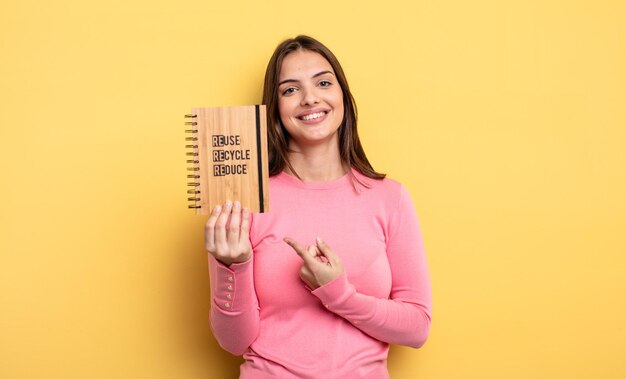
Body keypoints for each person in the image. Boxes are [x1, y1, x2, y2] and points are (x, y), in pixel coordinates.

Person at [205, 35, 432, 379]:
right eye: (290, 90)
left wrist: (338, 293)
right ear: (276, 108)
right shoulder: (243, 201)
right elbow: (235, 341)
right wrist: (231, 265)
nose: (310, 98)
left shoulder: (390, 198)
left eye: (323, 83)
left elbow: (417, 328)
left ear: (342, 95)